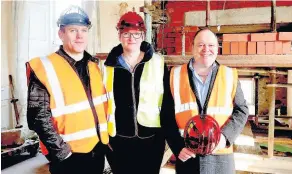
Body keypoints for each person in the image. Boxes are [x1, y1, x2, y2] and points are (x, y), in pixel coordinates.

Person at [26, 6, 109, 174]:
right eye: (73, 30)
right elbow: (38, 118)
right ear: (61, 34)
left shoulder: (94, 66)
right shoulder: (44, 67)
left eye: (83, 30)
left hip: (97, 150)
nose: (79, 36)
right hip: (69, 156)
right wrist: (62, 153)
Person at [164, 28, 249, 174]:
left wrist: (225, 137)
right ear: (192, 47)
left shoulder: (229, 75)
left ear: (217, 49)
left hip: (220, 159)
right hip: (188, 158)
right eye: (201, 45)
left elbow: (242, 110)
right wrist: (178, 147)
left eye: (211, 45)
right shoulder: (174, 75)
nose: (206, 49)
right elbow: (166, 115)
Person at [104, 11, 171, 174]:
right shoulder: (107, 66)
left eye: (136, 34)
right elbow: (102, 103)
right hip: (118, 141)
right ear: (119, 35)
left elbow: (168, 103)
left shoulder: (157, 63)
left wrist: (165, 137)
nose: (131, 39)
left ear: (143, 36)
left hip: (151, 141)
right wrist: (105, 138)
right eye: (126, 34)